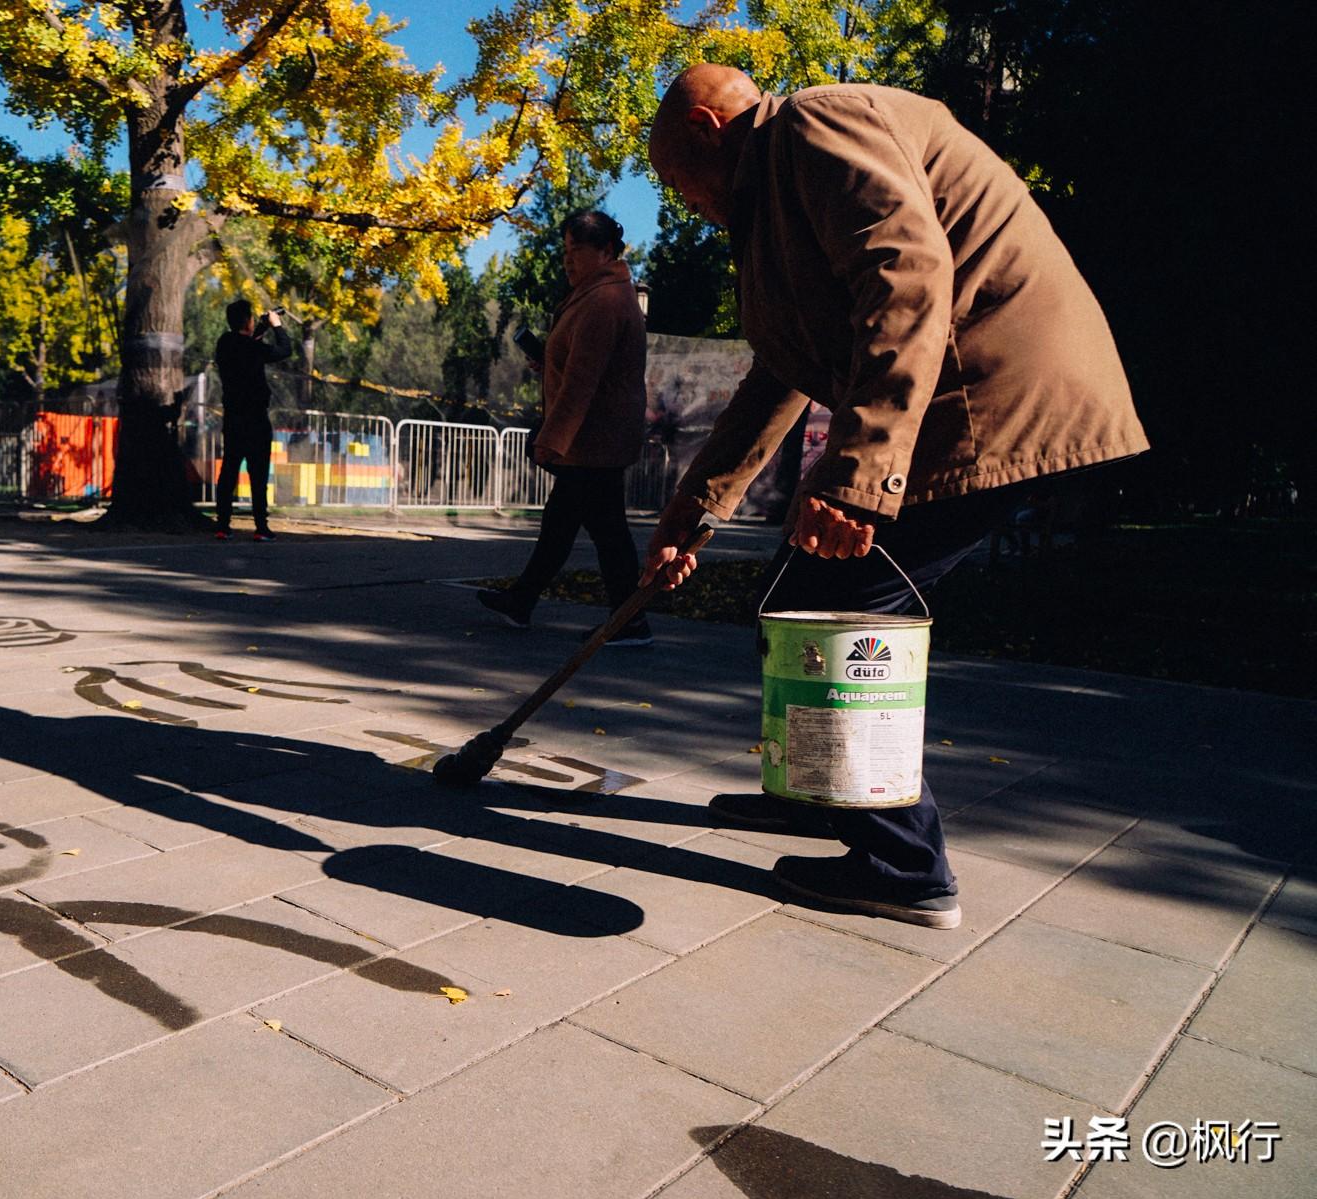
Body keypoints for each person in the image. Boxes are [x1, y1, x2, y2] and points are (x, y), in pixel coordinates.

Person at [641, 66, 1149, 928]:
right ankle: (818, 792)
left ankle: (903, 865)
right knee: (788, 594)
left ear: (705, 128)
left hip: (987, 394)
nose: (685, 203)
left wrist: (858, 474)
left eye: (674, 181)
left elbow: (907, 276)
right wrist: (691, 519)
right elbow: (779, 377)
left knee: (842, 612)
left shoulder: (813, 125)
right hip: (955, 399)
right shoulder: (778, 200)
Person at [477, 210, 652, 645]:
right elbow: (578, 366)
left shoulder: (605, 300)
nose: (567, 261)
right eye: (565, 252)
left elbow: (583, 381)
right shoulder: (597, 294)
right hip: (594, 439)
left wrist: (552, 439)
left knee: (602, 531)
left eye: (577, 251)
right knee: (570, 525)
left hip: (593, 440)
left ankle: (629, 621)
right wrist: (547, 363)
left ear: (606, 251)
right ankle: (527, 601)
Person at [211, 300, 292, 541]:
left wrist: (259, 329)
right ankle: (261, 527)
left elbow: (245, 344)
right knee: (258, 474)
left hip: (233, 417)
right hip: (256, 417)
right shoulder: (253, 349)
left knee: (229, 471)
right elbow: (284, 350)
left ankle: (223, 525)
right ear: (247, 320)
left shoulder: (225, 343)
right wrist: (276, 326)